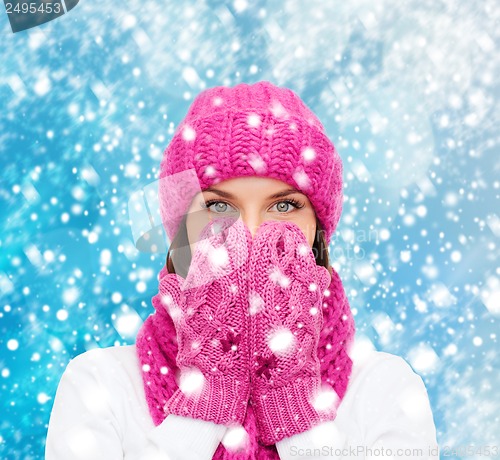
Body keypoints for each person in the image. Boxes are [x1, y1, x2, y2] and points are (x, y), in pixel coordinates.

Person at [45, 81, 439, 459]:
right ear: (181, 231)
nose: (250, 233)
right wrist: (209, 393)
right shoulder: (101, 385)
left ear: (318, 231)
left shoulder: (385, 388)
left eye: (284, 206)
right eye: (218, 206)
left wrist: (292, 399)